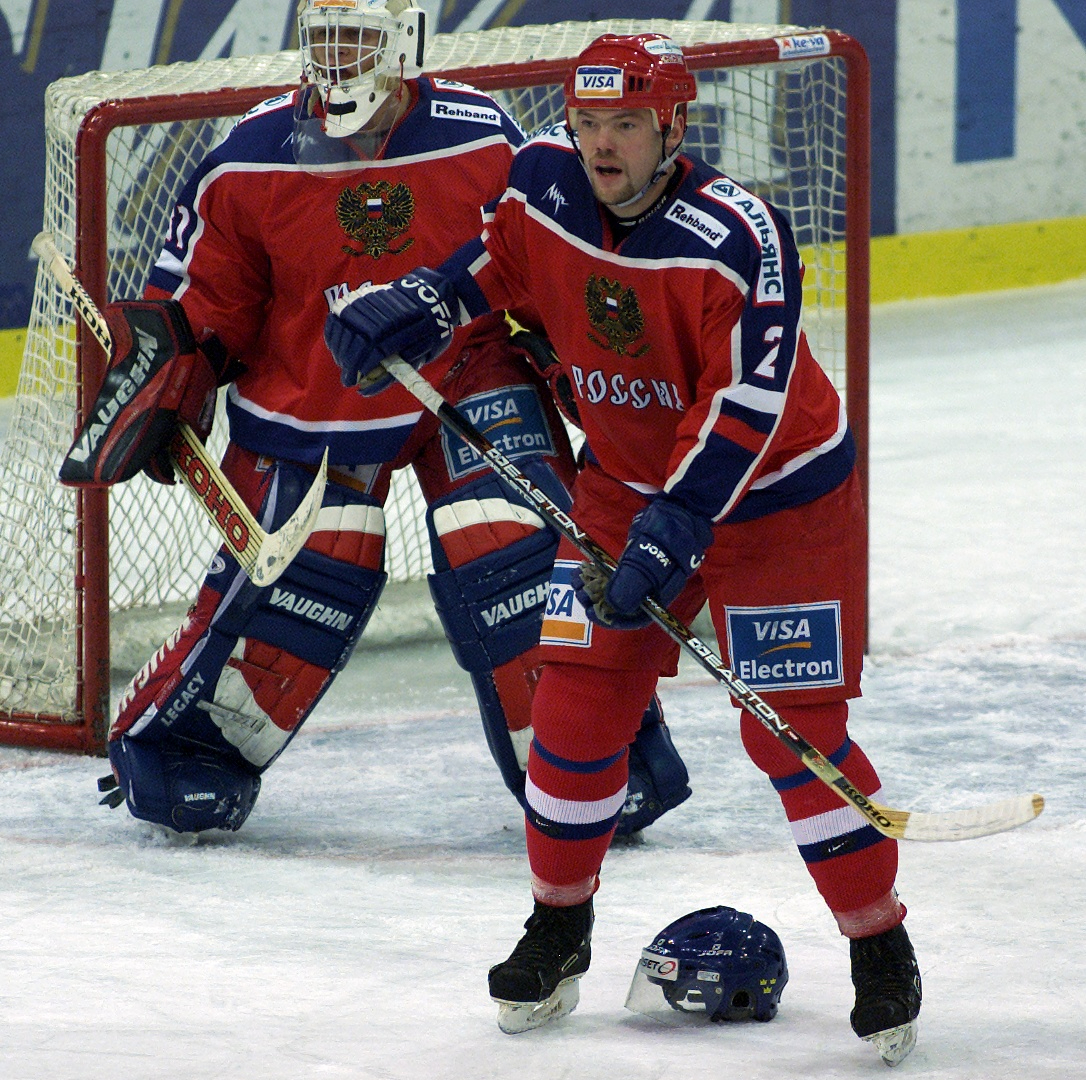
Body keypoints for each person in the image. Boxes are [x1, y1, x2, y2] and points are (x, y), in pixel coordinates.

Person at [322, 32, 922, 1065]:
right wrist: (419, 303)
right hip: (622, 494)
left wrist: (677, 528)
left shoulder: (740, 234)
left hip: (777, 506)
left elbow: (746, 406)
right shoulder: (541, 181)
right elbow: (491, 267)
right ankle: (560, 925)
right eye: (588, 121)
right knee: (574, 707)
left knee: (792, 736)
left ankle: (880, 945)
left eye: (626, 125)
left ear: (673, 128)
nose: (601, 144)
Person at [87, 2, 691, 841]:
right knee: (312, 561)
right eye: (323, 36)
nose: (337, 58)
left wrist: (582, 373)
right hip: (313, 385)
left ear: (403, 42)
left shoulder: (479, 136)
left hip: (465, 371)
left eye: (358, 38)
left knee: (514, 540)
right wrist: (172, 375)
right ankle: (182, 747)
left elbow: (543, 264)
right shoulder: (248, 156)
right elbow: (205, 298)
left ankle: (595, 759)